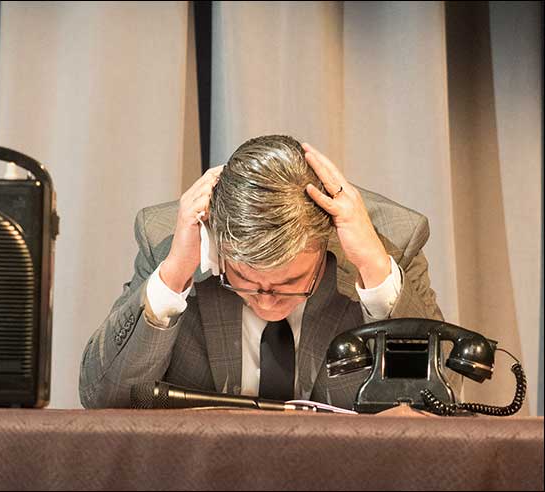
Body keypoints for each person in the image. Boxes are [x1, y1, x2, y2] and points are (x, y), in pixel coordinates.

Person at [79, 135, 450, 409]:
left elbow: (439, 401)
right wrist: (174, 274)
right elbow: (102, 396)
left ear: (325, 244)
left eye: (290, 283)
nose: (267, 301)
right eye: (245, 281)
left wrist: (375, 269)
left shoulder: (391, 242)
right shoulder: (168, 238)